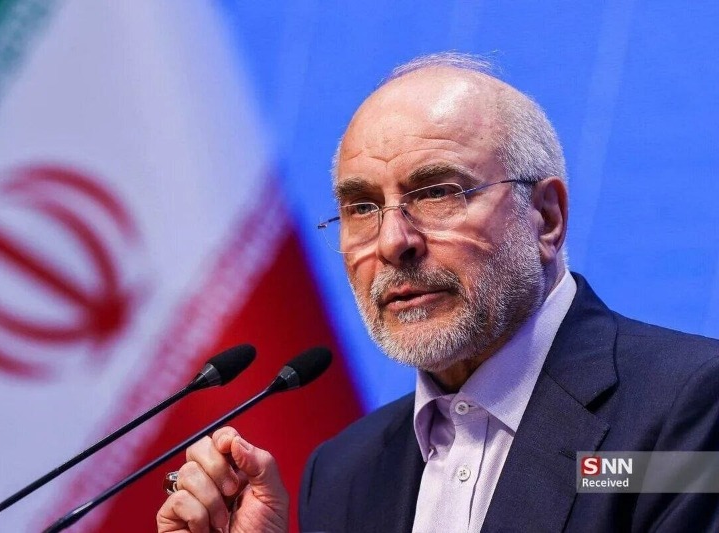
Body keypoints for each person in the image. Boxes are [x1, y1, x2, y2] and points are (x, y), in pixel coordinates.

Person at [156, 53, 719, 532]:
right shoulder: (342, 473)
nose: (392, 242)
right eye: (361, 207)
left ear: (546, 218)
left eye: (437, 193)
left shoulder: (687, 409)